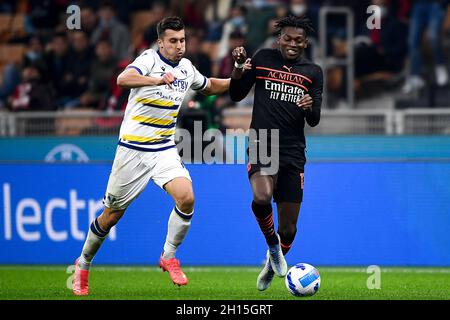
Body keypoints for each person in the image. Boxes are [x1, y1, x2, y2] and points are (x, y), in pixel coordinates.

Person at [72, 16, 231, 296]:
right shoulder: (148, 59)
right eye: (173, 41)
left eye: (182, 40)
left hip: (163, 148)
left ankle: (168, 256)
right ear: (161, 42)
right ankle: (83, 263)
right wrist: (157, 79)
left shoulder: (186, 68)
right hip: (132, 150)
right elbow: (123, 79)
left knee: (187, 196)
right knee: (110, 217)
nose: (179, 46)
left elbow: (209, 86)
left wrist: (238, 79)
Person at [229, 15, 323, 291]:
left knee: (290, 230)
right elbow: (236, 93)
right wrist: (237, 67)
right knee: (261, 197)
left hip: (294, 152)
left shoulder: (314, 72)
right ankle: (273, 249)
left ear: (305, 43)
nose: (293, 44)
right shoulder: (263, 58)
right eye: (288, 38)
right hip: (263, 143)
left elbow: (315, 118)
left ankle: (272, 264)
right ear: (279, 39)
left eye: (299, 40)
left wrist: (309, 107)